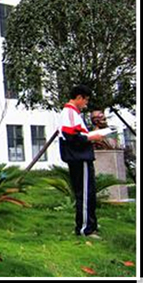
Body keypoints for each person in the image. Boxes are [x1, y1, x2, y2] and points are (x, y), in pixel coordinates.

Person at [58, 84, 105, 237]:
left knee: (89, 193)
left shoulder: (74, 114)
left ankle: (90, 224)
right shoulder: (70, 113)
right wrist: (91, 137)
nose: (86, 104)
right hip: (79, 157)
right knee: (84, 194)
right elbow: (71, 136)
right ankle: (85, 229)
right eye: (86, 100)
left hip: (82, 157)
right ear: (79, 97)